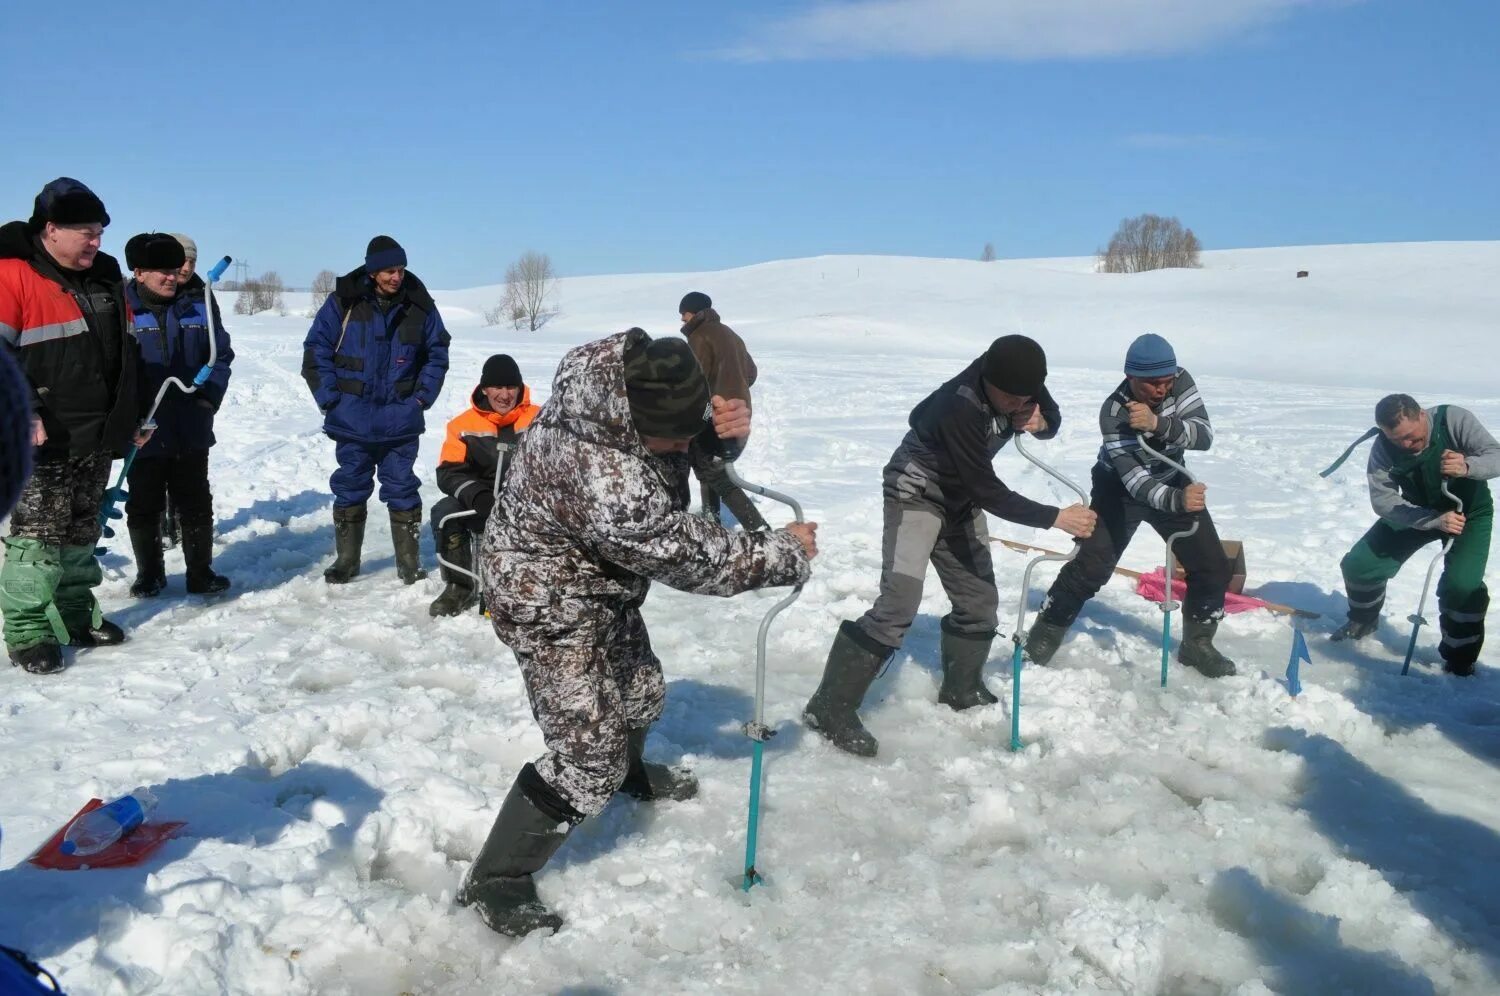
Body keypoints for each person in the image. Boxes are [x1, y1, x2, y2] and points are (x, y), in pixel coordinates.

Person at [464, 329, 817, 936]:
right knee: (587, 758)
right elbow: (690, 556)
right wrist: (781, 552)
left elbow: (680, 445)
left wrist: (716, 435)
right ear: (633, 424)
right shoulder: (602, 476)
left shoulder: (619, 390)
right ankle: (496, 879)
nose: (682, 444)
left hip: (601, 583)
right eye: (675, 436)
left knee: (641, 693)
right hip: (544, 600)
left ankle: (629, 773)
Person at [803, 335, 1096, 758]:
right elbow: (988, 490)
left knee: (979, 603)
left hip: (960, 501)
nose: (1018, 404)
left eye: (1025, 397)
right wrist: (1054, 517)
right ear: (989, 380)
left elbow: (1049, 416)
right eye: (1011, 398)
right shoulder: (959, 404)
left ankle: (962, 689)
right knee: (898, 604)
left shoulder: (1019, 374)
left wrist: (1041, 421)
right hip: (916, 494)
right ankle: (828, 708)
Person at [0, 178, 152, 675]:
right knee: (37, 538)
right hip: (38, 437)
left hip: (97, 432)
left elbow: (126, 356)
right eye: (85, 231)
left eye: (100, 231)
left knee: (81, 532)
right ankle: (26, 630)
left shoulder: (107, 278)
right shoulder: (12, 275)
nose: (96, 241)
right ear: (50, 229)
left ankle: (74, 615)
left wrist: (134, 415)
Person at [1024, 334, 1236, 678]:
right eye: (1152, 384)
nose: (1162, 390)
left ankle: (1198, 645)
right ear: (1130, 377)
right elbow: (1136, 482)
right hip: (1117, 488)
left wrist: (1158, 424)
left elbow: (1203, 436)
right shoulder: (1112, 412)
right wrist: (1178, 501)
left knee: (1211, 565)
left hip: (1172, 477)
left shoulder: (1180, 381)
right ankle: (1044, 633)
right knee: (1090, 568)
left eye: (1166, 381)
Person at [301, 236, 450, 585]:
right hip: (352, 417)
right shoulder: (344, 302)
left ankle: (408, 565)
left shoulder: (420, 305)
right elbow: (316, 349)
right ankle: (347, 562)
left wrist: (421, 399)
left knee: (402, 487)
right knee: (350, 486)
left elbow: (437, 355)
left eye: (400, 270)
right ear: (372, 271)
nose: (396, 277)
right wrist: (330, 398)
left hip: (401, 419)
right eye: (388, 270)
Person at [1329, 394, 1499, 676]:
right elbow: (1383, 501)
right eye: (1397, 440)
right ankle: (1362, 621)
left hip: (1468, 513)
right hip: (1419, 512)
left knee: (1462, 587)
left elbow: (1496, 455)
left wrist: (1468, 466)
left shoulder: (1453, 419)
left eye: (1410, 436)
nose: (1406, 445)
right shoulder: (1384, 446)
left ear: (1422, 414)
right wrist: (1431, 520)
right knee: (1359, 564)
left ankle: (1460, 659)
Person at [122, 233, 234, 597]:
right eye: (162, 271)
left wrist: (207, 401)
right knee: (144, 503)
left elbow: (220, 355)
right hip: (145, 427)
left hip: (190, 423)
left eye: (175, 270)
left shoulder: (199, 302)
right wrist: (127, 413)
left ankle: (200, 572)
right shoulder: (122, 307)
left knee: (195, 501)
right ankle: (149, 574)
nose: (172, 277)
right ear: (139, 272)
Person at [428, 354, 541, 617]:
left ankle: (535, 584)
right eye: (497, 387)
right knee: (444, 513)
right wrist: (476, 495)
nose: (504, 395)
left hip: (527, 498)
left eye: (511, 387)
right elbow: (448, 472)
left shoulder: (540, 418)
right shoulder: (462, 426)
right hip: (479, 498)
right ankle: (459, 584)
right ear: (485, 389)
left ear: (520, 388)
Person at [677, 291, 766, 530]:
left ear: (692, 312)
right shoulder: (732, 335)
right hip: (737, 416)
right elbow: (751, 374)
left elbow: (695, 381)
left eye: (683, 315)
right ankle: (711, 520)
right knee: (709, 468)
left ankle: (758, 528)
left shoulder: (699, 336)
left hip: (713, 417)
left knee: (715, 474)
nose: (682, 321)